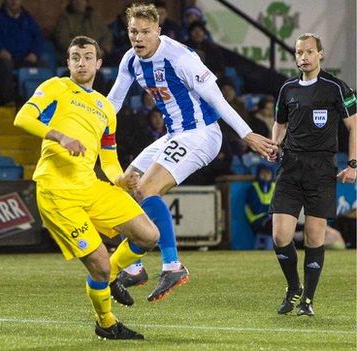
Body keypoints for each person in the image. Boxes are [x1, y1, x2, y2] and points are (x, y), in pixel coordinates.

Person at [106, 3, 276, 302]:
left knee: (146, 189)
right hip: (175, 134)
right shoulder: (130, 60)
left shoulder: (180, 56)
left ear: (158, 30)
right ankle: (133, 268)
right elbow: (113, 103)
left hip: (201, 134)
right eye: (134, 31)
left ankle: (172, 265)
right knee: (125, 185)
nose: (139, 38)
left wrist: (246, 133)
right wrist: (87, 127)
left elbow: (218, 99)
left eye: (146, 31)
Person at [14, 35, 159, 340]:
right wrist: (59, 137)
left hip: (91, 187)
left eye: (88, 57)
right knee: (99, 268)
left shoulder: (105, 108)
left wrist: (121, 180)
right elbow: (22, 118)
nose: (82, 63)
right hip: (57, 192)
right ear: (68, 63)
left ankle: (116, 277)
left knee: (149, 235)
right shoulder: (56, 87)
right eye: (76, 57)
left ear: (99, 64)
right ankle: (106, 323)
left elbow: (108, 158)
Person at [268, 33, 356, 317]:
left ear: (320, 54)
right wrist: (274, 146)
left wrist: (353, 164)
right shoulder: (288, 89)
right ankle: (293, 288)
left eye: (309, 52)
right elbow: (279, 124)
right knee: (281, 235)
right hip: (291, 167)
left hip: (321, 169)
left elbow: (355, 126)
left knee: (314, 238)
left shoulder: (335, 87)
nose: (303, 57)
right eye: (299, 52)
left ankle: (308, 299)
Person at [0, 0, 44, 105]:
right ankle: (7, 101)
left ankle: (40, 103)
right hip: (0, 58)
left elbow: (38, 37)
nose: (14, 1)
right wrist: (0, 50)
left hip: (24, 58)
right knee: (6, 65)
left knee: (42, 66)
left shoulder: (28, 18)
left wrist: (34, 53)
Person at [245, 164, 275, 250]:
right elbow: (256, 209)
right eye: (263, 173)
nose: (265, 176)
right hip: (256, 220)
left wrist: (266, 208)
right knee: (274, 224)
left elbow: (280, 205)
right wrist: (271, 209)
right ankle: (268, 249)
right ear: (258, 174)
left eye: (268, 173)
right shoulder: (253, 188)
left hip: (271, 218)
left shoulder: (274, 186)